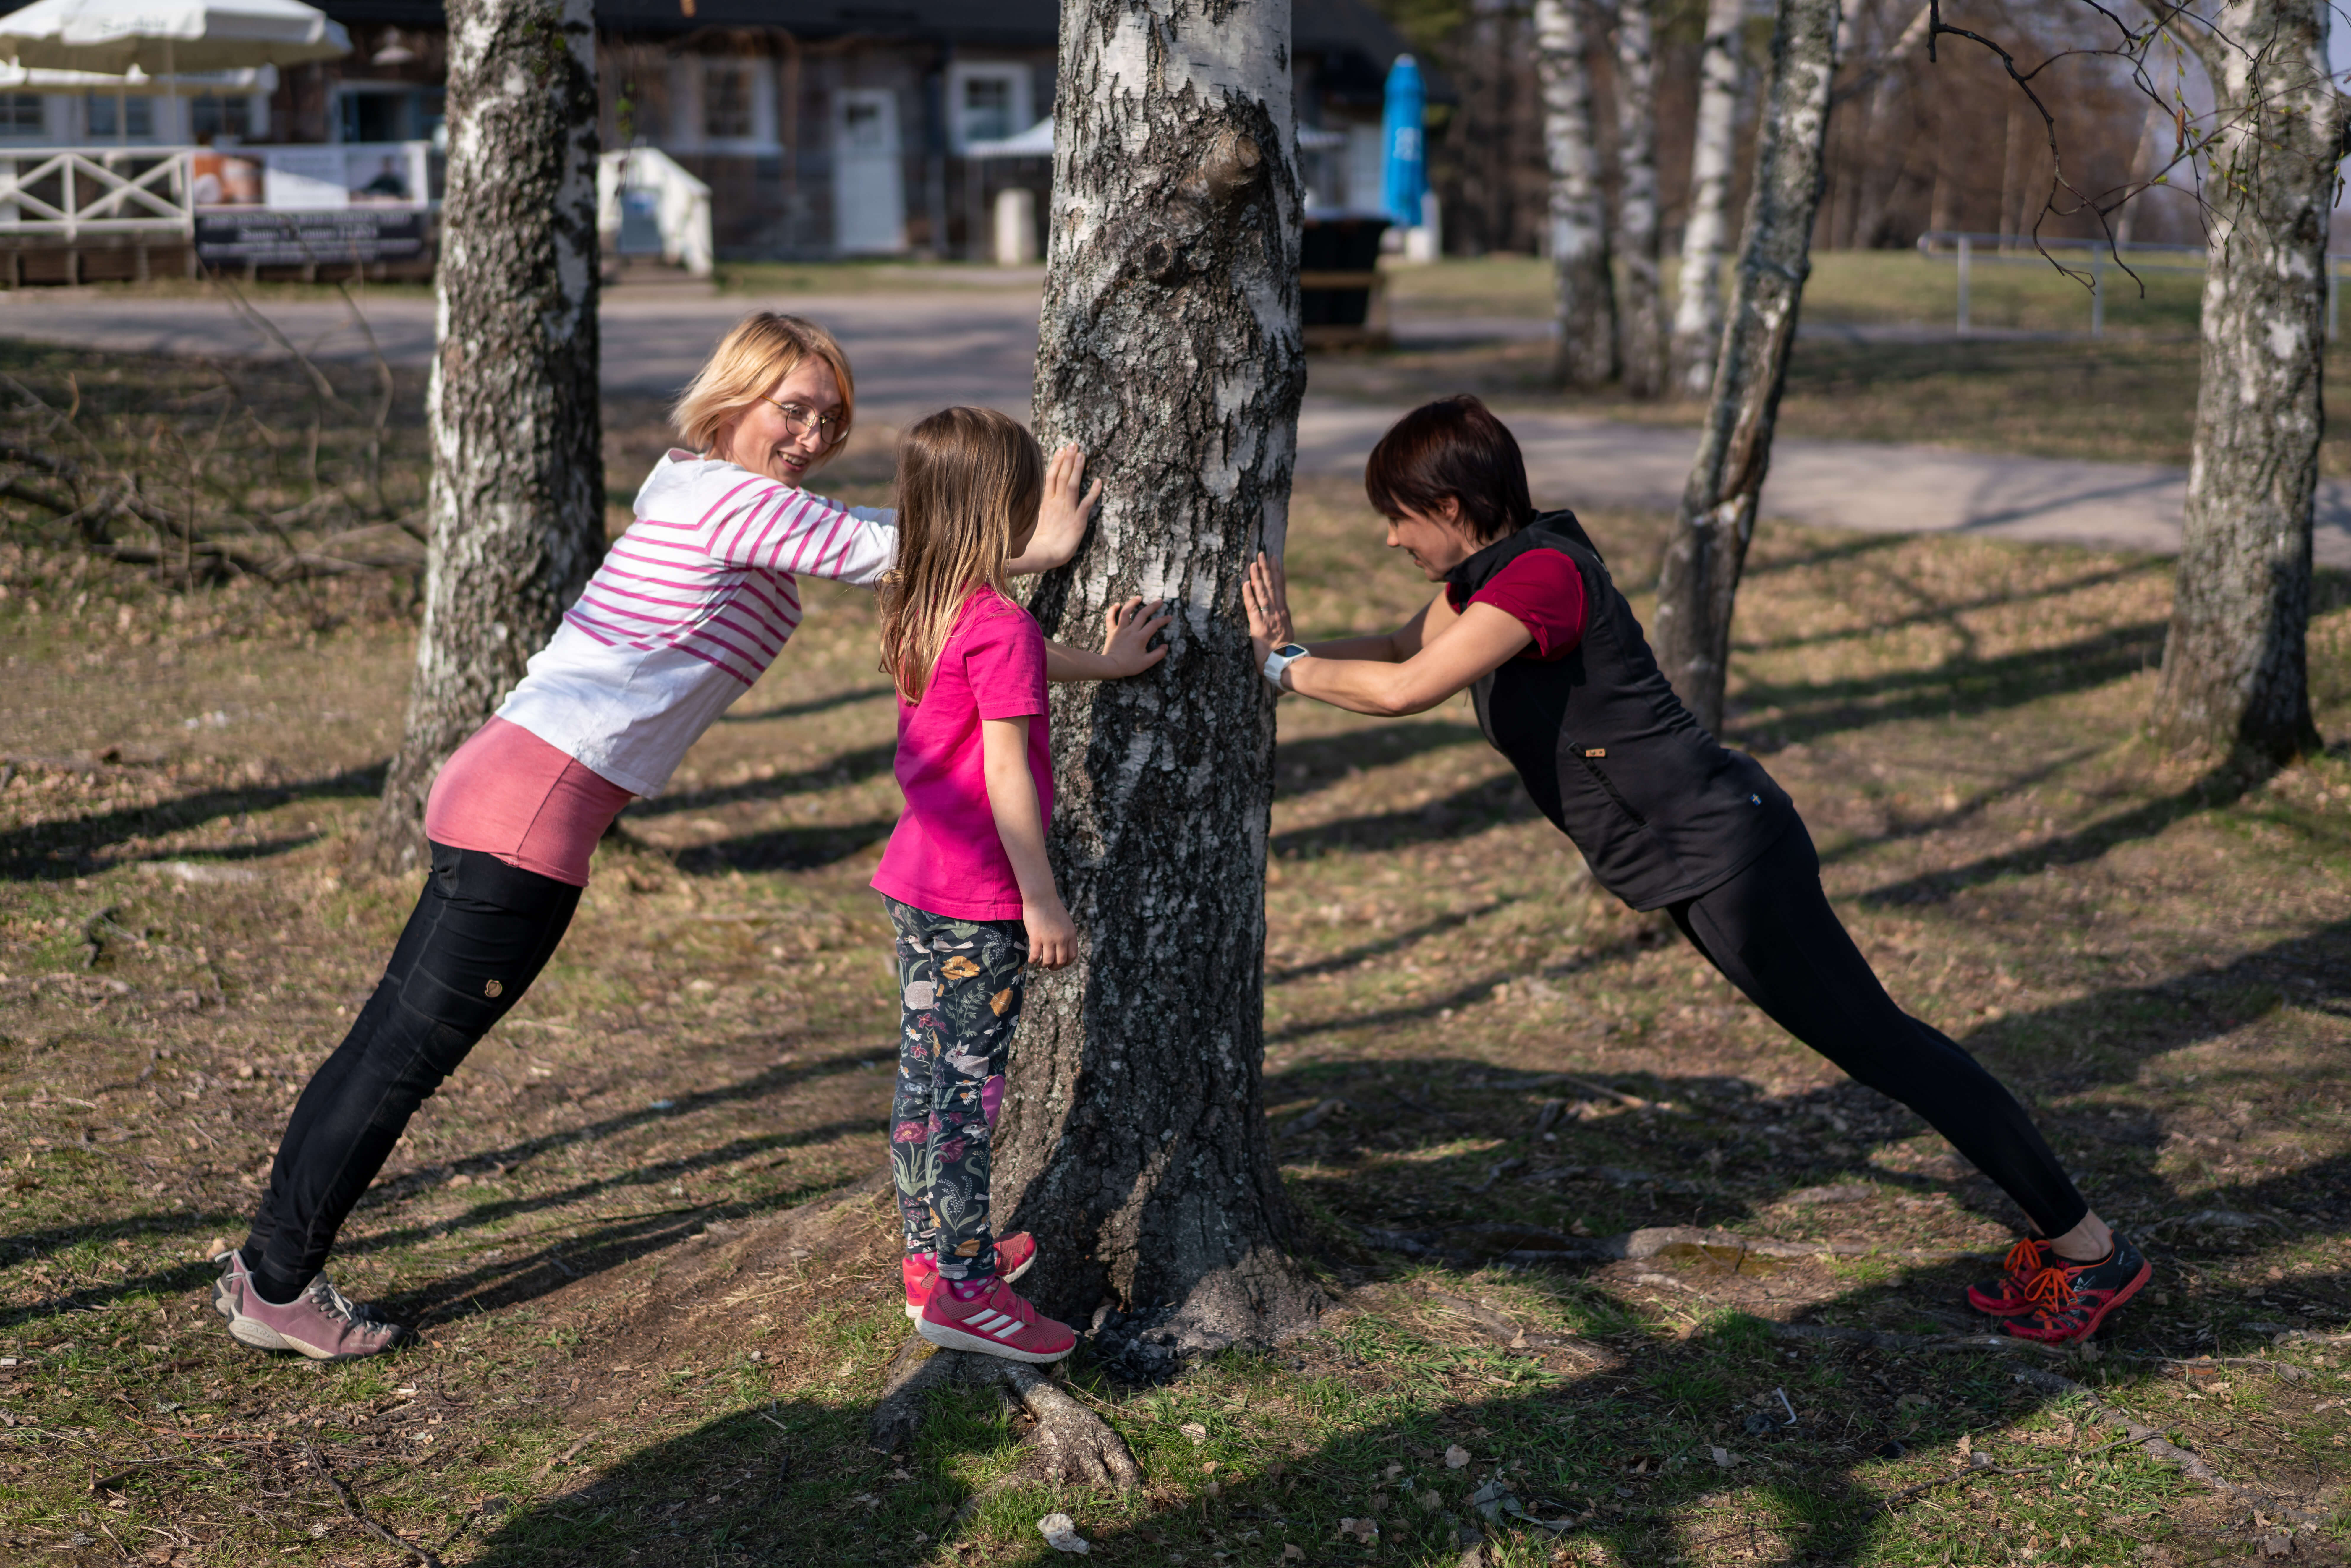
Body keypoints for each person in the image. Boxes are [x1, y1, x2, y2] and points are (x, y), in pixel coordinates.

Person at [211, 315, 1166, 1361]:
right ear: (733, 398)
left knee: (387, 1045)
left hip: (524, 791)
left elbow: (930, 596)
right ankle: (276, 1280)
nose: (808, 435)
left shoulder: (727, 497)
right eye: (789, 409)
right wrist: (1040, 547)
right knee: (399, 1060)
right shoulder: (724, 496)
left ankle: (270, 1265)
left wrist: (1071, 631)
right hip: (528, 804)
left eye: (828, 419)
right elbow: (905, 550)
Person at [1242, 395, 2148, 1346]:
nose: (1390, 539)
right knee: (1884, 1047)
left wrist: (1279, 672)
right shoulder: (1490, 578)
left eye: (1400, 515)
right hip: (1699, 859)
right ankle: (2071, 1241)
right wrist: (1286, 650)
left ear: (1458, 506)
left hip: (1729, 856)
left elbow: (1405, 690)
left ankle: (2088, 1248)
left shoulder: (1543, 577)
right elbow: (1394, 648)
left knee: (1890, 1050)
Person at [872, 407, 1144, 1364]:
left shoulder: (917, 599)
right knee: (969, 1098)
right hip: (981, 898)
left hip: (915, 882)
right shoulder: (998, 622)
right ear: (1005, 510)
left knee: (924, 1077)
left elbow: (1012, 665)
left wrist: (1103, 662)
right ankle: (969, 1292)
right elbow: (1008, 772)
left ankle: (929, 1258)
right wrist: (1042, 898)